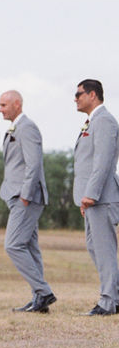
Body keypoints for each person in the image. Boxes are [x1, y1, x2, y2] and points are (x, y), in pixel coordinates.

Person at [0, 90, 54, 312]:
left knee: (12, 245)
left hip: (26, 197)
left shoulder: (27, 127)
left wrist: (26, 195)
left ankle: (44, 291)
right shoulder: (16, 127)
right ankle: (39, 300)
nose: (0, 109)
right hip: (15, 195)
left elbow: (34, 164)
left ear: (17, 104)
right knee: (30, 247)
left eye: (3, 105)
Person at [73, 79, 119, 316]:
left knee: (104, 250)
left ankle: (108, 302)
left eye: (79, 93)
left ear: (92, 94)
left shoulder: (105, 121)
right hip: (91, 199)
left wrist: (90, 193)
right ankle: (116, 296)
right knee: (95, 247)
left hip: (101, 197)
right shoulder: (92, 122)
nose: (75, 98)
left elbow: (102, 161)